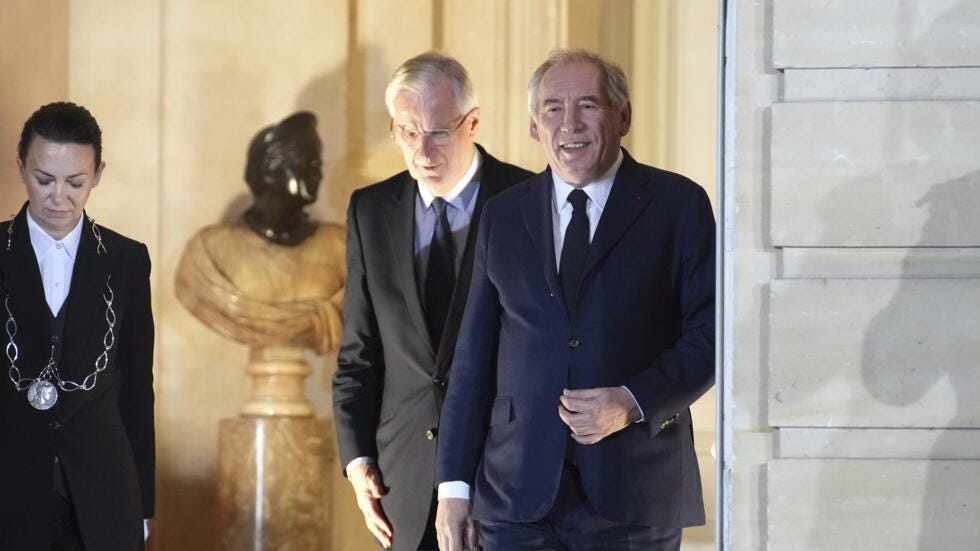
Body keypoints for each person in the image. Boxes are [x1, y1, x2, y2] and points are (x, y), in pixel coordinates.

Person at [435, 49, 716, 550]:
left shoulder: (679, 205)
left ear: (623, 116)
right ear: (533, 127)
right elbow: (471, 361)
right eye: (552, 109)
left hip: (634, 499)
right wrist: (453, 488)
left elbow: (712, 337)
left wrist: (632, 402)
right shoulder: (503, 215)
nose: (570, 124)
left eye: (588, 105)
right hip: (514, 499)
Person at [332, 52, 533, 551]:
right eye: (406, 131)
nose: (422, 151)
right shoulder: (370, 210)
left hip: (504, 480)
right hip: (404, 487)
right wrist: (358, 463)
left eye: (439, 132)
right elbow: (359, 352)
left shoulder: (529, 199)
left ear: (473, 123)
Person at [0, 102, 155, 549]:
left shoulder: (126, 260)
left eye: (76, 182)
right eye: (44, 179)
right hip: (9, 489)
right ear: (21, 169)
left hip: (104, 496)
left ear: (98, 173)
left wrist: (142, 505)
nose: (59, 197)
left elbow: (137, 389)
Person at [175, 112, 346, 359]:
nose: (318, 173)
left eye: (318, 164)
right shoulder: (209, 252)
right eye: (307, 163)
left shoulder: (341, 245)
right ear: (270, 170)